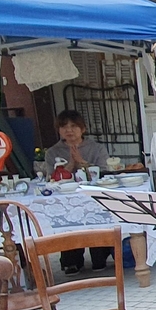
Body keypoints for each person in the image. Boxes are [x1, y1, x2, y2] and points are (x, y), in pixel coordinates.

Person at [44, 110, 113, 274]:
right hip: (65, 198)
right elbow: (50, 179)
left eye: (73, 126)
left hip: (92, 194)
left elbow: (104, 172)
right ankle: (71, 260)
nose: (69, 130)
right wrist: (70, 164)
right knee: (67, 222)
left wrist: (82, 162)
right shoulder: (52, 152)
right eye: (64, 127)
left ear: (83, 129)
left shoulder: (97, 148)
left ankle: (99, 256)